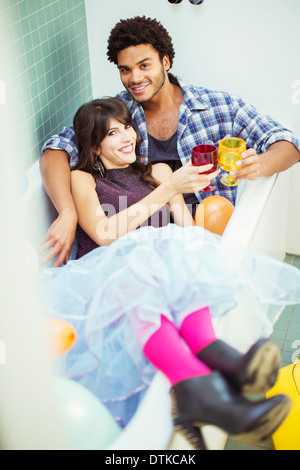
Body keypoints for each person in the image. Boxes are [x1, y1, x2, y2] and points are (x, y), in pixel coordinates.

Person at [40, 97, 300, 449]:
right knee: (143, 258)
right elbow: (103, 235)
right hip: (112, 285)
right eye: (113, 133)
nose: (127, 137)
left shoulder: (159, 172)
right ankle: (214, 375)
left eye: (127, 127)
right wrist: (170, 190)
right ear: (94, 145)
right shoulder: (83, 178)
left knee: (176, 249)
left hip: (158, 283)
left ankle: (216, 368)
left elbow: (188, 234)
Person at [40, 16, 300, 268]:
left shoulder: (218, 106)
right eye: (125, 69)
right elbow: (55, 149)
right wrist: (67, 212)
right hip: (138, 240)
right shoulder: (118, 114)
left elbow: (288, 143)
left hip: (203, 231)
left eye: (144, 65)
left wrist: (259, 165)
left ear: (165, 61)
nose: (135, 78)